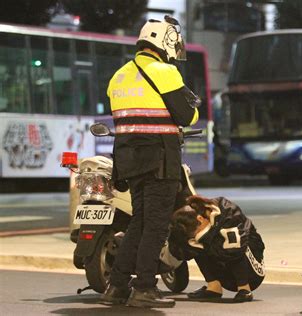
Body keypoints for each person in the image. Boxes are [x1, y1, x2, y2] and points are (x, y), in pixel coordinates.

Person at [101, 16, 200, 308]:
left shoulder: (118, 76)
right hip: (159, 160)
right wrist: (191, 104)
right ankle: (144, 287)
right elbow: (187, 116)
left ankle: (117, 286)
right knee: (155, 226)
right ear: (165, 42)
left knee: (139, 223)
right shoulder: (165, 72)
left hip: (129, 161)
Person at [168, 195, 265, 303]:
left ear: (200, 219)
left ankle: (244, 289)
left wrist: (204, 242)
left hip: (252, 272)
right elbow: (179, 253)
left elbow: (233, 251)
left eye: (194, 232)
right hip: (225, 272)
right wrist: (180, 239)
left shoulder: (228, 211)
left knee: (232, 244)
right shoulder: (190, 218)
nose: (194, 235)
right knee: (196, 245)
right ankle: (214, 288)